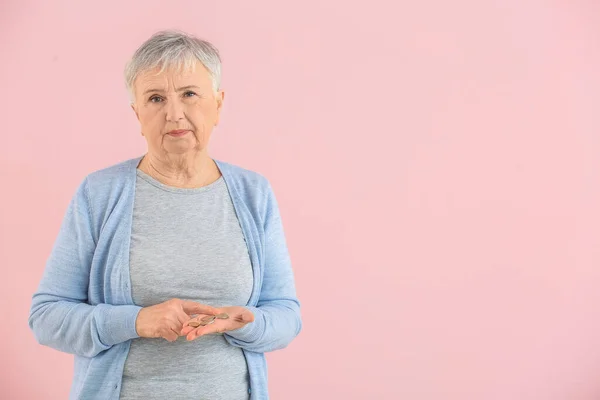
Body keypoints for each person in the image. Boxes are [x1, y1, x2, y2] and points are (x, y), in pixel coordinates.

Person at [28, 30, 302, 400]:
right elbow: (46, 317)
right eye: (156, 98)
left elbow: (286, 314)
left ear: (218, 104)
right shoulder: (99, 193)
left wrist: (247, 323)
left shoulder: (254, 194)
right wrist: (136, 321)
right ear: (137, 113)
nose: (174, 113)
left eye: (189, 94)